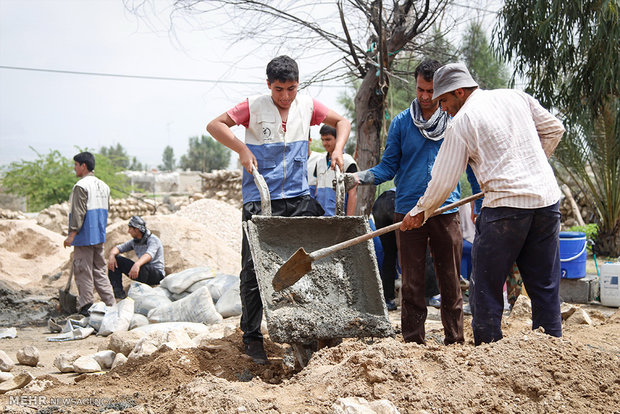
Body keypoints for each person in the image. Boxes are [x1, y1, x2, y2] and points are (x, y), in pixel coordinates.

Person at [401, 62, 565, 345]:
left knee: (485, 289)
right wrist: (529, 167)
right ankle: (552, 353)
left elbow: (443, 181)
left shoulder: (462, 122)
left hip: (504, 210)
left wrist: (419, 212)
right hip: (546, 202)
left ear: (460, 92)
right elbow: (554, 129)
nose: (442, 108)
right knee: (545, 287)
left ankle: (490, 355)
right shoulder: (515, 97)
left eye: (443, 100)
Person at [206, 55, 351, 364]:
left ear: (298, 85)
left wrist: (337, 149)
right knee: (253, 269)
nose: (285, 96)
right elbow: (214, 125)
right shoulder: (253, 107)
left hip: (298, 197)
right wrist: (242, 149)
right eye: (279, 89)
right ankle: (252, 337)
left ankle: (309, 329)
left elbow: (343, 122)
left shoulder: (308, 106)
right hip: (261, 198)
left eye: (291, 89)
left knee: (307, 263)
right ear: (268, 85)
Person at [344, 59, 465, 345]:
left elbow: (470, 161)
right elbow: (387, 167)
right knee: (411, 282)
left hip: (446, 208)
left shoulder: (455, 121)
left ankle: (456, 341)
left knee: (450, 279)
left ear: (441, 91)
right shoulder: (401, 123)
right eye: (420, 89)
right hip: (409, 211)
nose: (424, 97)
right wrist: (358, 177)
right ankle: (412, 341)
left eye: (431, 91)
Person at [63, 151, 115, 316]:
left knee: (83, 271)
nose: (74, 168)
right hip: (99, 235)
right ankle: (111, 304)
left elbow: (78, 212)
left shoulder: (81, 186)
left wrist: (72, 234)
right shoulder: (104, 186)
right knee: (99, 270)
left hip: (84, 236)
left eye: (76, 165)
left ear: (83, 166)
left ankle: (86, 306)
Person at [107, 215, 165, 299]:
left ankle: (142, 294)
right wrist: (112, 255)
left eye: (130, 229)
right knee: (116, 259)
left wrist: (137, 264)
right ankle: (118, 292)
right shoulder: (135, 242)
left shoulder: (153, 240)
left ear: (136, 230)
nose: (128, 231)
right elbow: (118, 248)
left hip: (156, 274)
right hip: (142, 271)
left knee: (144, 265)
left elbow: (149, 255)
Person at [314, 124, 358, 215]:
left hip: (338, 217)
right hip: (320, 216)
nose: (325, 143)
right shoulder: (319, 161)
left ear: (338, 139)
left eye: (328, 139)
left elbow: (352, 194)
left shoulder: (347, 161)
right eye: (323, 140)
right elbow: (317, 189)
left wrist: (348, 220)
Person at [371, 188, 398, 310]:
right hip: (395, 201)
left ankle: (388, 299)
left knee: (389, 254)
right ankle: (429, 296)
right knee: (411, 251)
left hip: (379, 203)